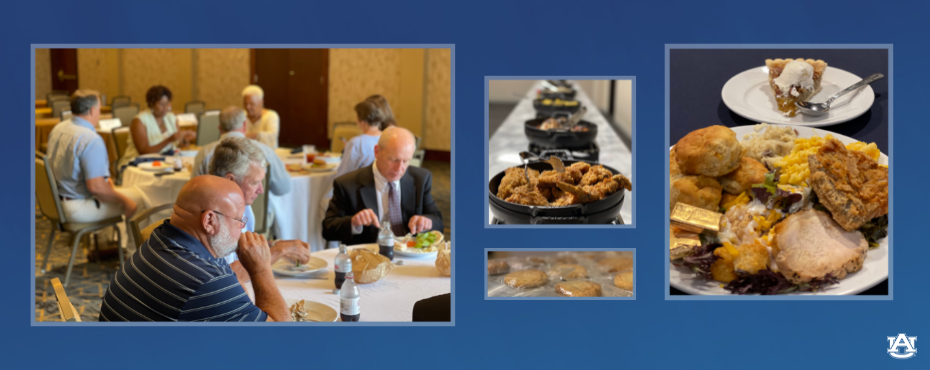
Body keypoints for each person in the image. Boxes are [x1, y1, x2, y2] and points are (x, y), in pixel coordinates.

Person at [98, 176, 290, 322]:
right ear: (209, 221)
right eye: (239, 220)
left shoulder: (162, 238)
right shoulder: (207, 281)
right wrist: (261, 269)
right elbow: (280, 338)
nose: (242, 228)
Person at [206, 136, 310, 284]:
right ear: (230, 180)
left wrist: (276, 244)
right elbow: (225, 279)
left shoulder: (243, 206)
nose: (261, 190)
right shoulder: (211, 217)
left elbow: (242, 249)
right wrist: (279, 250)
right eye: (255, 183)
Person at [45, 89, 144, 240]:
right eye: (99, 108)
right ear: (92, 110)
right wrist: (125, 202)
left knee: (115, 193)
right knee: (139, 201)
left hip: (55, 202)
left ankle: (106, 244)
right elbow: (96, 188)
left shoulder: (59, 128)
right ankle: (133, 256)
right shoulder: (90, 139)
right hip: (77, 207)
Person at [322, 127, 443, 245]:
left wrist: (428, 222)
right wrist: (353, 222)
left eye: (406, 161)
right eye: (393, 159)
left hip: (410, 253)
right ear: (377, 151)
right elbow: (328, 229)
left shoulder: (421, 179)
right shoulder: (347, 184)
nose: (399, 168)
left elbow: (438, 221)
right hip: (369, 257)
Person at [192, 106, 290, 196]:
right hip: (258, 214)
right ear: (244, 125)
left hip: (218, 213)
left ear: (220, 128)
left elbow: (195, 193)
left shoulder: (204, 154)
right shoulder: (266, 151)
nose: (260, 189)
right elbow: (283, 188)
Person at [117, 85, 196, 170]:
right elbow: (144, 152)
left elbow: (179, 146)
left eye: (167, 104)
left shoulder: (171, 118)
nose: (165, 107)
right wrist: (168, 140)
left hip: (165, 161)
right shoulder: (139, 121)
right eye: (161, 104)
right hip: (138, 163)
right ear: (151, 104)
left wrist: (185, 140)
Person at [332, 99, 385, 179]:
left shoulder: (357, 143)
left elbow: (344, 174)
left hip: (360, 186)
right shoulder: (388, 138)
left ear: (361, 120)